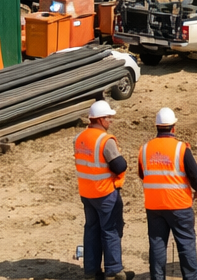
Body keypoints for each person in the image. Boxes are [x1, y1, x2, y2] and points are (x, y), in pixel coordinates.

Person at [138, 107, 197, 280]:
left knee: (157, 245)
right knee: (186, 244)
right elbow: (195, 174)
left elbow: (142, 174)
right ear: (173, 127)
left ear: (157, 127)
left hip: (154, 206)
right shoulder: (181, 148)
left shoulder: (145, 149)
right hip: (179, 205)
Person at [74, 100, 133, 280]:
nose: (110, 121)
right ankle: (114, 271)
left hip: (86, 192)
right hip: (105, 192)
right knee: (110, 229)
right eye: (108, 118)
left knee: (91, 230)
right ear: (100, 120)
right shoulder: (105, 140)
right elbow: (119, 165)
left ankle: (91, 271)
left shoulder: (79, 138)